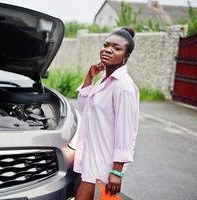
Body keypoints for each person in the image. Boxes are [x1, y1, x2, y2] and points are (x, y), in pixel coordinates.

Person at [73, 27, 139, 200]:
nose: (108, 50)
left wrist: (117, 171)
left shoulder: (123, 86)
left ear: (126, 56)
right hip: (92, 151)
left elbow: (126, 132)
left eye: (117, 48)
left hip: (106, 159)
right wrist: (89, 77)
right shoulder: (104, 79)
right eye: (106, 45)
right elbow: (84, 108)